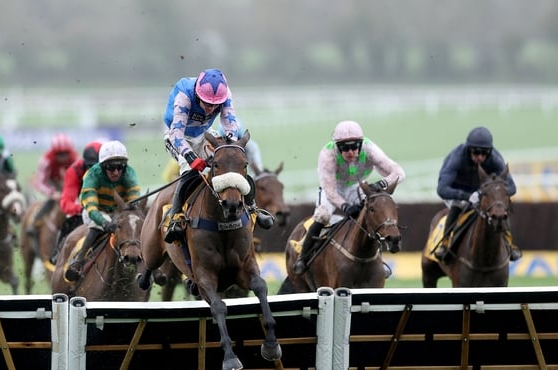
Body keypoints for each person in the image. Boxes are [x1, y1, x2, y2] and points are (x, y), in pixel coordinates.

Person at [162, 68, 273, 244]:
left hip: (203, 133)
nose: (211, 108)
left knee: (230, 163)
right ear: (197, 94)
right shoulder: (184, 95)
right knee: (189, 170)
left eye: (215, 104)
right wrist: (191, 158)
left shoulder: (225, 94)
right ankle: (175, 218)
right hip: (177, 135)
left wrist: (230, 148)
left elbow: (230, 125)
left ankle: (252, 209)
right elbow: (177, 133)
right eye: (207, 103)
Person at [292, 120, 406, 275]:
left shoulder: (370, 149)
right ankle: (303, 258)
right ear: (337, 147)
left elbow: (400, 173)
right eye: (345, 148)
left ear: (361, 144)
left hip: (357, 187)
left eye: (354, 146)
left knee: (370, 217)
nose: (350, 152)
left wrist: (382, 183)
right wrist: (345, 206)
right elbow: (330, 190)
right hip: (333, 188)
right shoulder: (327, 154)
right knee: (323, 216)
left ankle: (378, 260)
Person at [433, 126, 521, 261]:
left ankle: (510, 244)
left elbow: (512, 187)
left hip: (483, 192)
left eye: (484, 153)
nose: (480, 157)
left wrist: (492, 194)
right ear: (469, 150)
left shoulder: (495, 158)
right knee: (458, 206)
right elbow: (442, 189)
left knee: (500, 209)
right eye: (476, 152)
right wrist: (467, 196)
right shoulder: (457, 158)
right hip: (457, 192)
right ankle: (445, 244)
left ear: (489, 152)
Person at [64, 140, 140, 281]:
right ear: (103, 166)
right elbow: (92, 209)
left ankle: (152, 268)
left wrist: (133, 207)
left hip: (119, 212)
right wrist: (105, 223)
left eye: (120, 167)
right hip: (95, 212)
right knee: (97, 226)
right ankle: (78, 262)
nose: (116, 172)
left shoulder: (129, 173)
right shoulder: (92, 175)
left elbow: (134, 199)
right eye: (111, 167)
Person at [50, 140, 103, 264]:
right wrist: (82, 209)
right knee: (69, 223)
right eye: (90, 167)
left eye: (96, 167)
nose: (92, 171)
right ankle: (58, 256)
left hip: (108, 206)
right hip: (85, 208)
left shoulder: (113, 169)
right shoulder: (74, 170)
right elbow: (66, 203)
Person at [27, 133, 78, 236]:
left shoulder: (76, 159)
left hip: (68, 186)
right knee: (48, 202)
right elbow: (40, 182)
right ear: (54, 153)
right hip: (50, 185)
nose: (63, 157)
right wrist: (52, 193)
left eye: (66, 154)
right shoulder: (46, 161)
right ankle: (35, 223)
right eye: (59, 154)